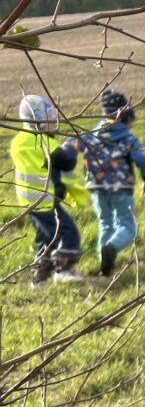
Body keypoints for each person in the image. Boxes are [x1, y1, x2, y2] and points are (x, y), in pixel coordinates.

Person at [64, 88, 145, 276]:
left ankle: (104, 266)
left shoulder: (90, 134)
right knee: (127, 225)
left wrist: (60, 160)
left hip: (96, 187)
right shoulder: (128, 138)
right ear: (126, 117)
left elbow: (69, 146)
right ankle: (112, 248)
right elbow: (143, 161)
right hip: (121, 187)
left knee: (105, 223)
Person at [10, 94, 84, 285]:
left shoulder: (19, 141)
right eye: (51, 119)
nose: (55, 122)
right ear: (39, 123)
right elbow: (67, 162)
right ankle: (63, 270)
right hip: (45, 201)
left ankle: (39, 279)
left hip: (29, 201)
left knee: (45, 238)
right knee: (68, 233)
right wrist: (71, 148)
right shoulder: (44, 143)